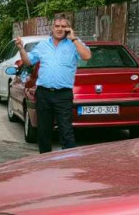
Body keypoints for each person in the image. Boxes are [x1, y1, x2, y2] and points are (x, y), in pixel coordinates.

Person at [15, 16, 91, 153]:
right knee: (43, 131)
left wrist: (73, 39)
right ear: (52, 27)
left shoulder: (73, 44)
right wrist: (21, 49)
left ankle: (68, 163)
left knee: (66, 131)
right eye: (57, 26)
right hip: (43, 93)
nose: (60, 29)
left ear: (68, 28)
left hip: (63, 94)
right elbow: (28, 62)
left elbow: (86, 56)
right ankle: (45, 161)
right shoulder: (43, 45)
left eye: (63, 26)